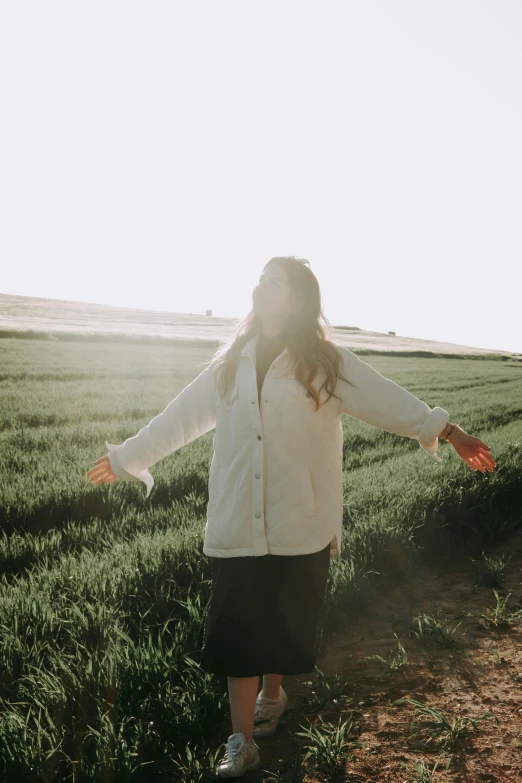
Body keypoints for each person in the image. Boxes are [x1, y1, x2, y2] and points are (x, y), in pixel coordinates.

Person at [86, 256, 496, 778]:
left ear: (296, 299)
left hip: (299, 520)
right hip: (237, 520)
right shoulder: (230, 363)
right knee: (236, 633)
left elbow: (385, 399)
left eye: (272, 282)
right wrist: (127, 458)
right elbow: (179, 418)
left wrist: (446, 429)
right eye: (259, 279)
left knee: (281, 629)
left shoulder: (326, 363)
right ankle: (240, 742)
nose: (260, 287)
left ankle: (273, 698)